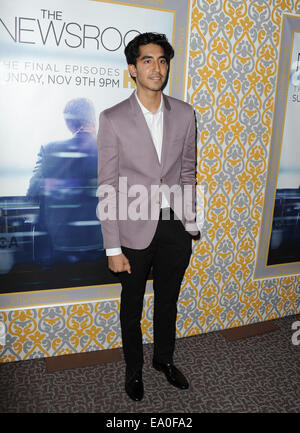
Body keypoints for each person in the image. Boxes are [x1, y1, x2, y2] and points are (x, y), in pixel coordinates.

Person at [97, 32, 199, 401]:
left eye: (162, 60)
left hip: (173, 227)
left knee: (168, 300)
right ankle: (134, 369)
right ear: (132, 68)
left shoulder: (185, 113)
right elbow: (107, 185)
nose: (156, 68)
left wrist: (189, 223)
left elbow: (188, 172)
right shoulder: (112, 119)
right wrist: (112, 247)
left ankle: (164, 360)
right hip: (131, 230)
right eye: (147, 61)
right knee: (132, 305)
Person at [27, 98, 102, 263]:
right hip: (101, 242)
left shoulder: (49, 149)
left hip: (60, 244)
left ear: (68, 122)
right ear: (93, 118)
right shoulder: (112, 150)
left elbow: (32, 191)